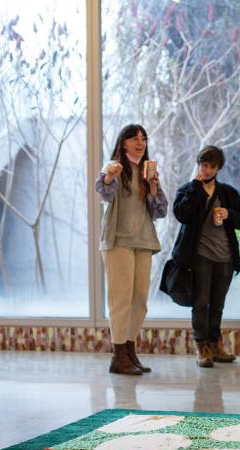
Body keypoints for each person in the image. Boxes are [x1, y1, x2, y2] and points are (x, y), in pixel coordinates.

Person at [96, 124, 169, 375]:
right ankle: (118, 355)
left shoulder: (149, 171)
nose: (141, 142)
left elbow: (161, 211)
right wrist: (109, 176)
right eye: (135, 138)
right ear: (123, 142)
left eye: (144, 139)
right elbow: (103, 192)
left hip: (143, 240)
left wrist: (153, 187)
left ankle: (129, 349)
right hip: (118, 241)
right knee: (120, 299)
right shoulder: (115, 167)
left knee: (139, 300)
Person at [171, 146, 240, 368]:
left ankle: (215, 344)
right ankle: (201, 346)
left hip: (225, 255)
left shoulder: (228, 193)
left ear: (218, 168)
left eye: (210, 166)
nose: (205, 170)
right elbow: (182, 214)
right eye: (203, 165)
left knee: (217, 304)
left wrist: (228, 214)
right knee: (201, 302)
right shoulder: (188, 189)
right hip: (200, 256)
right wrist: (195, 188)